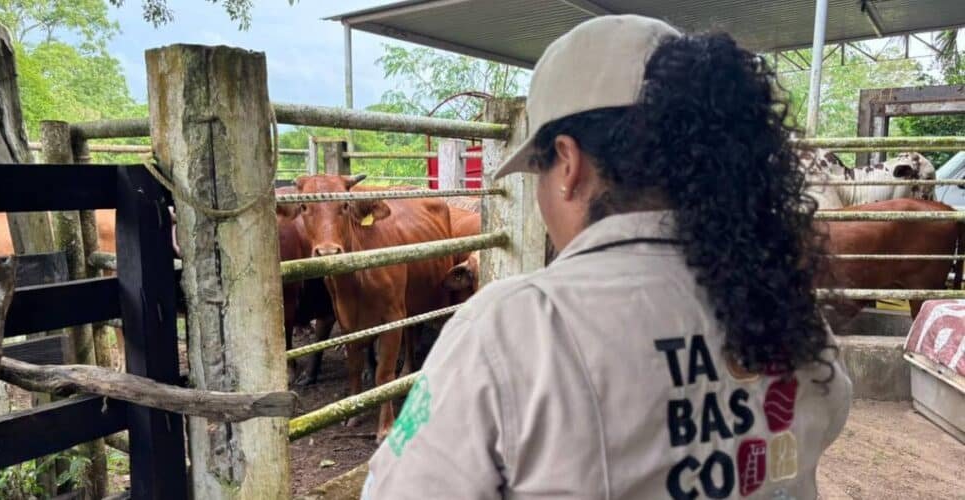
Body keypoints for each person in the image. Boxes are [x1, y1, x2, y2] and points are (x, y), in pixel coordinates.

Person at [361, 14, 851, 500]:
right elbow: (829, 414)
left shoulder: (512, 328)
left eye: (538, 170)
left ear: (568, 164)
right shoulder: (787, 307)